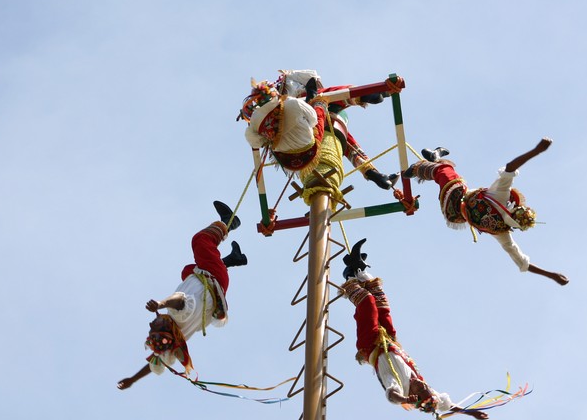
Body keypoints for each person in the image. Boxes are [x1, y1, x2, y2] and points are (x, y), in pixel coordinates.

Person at [338, 238, 489, 420]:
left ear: (416, 396)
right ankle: (359, 270)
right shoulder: (427, 391)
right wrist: (469, 412)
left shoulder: (399, 386)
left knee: (367, 303)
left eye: (420, 389)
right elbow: (447, 405)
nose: (422, 384)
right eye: (425, 387)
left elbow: (391, 395)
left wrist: (404, 398)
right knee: (382, 305)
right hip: (390, 341)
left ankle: (349, 276)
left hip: (371, 345)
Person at [117, 201, 248, 390]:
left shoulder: (176, 339)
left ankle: (233, 259)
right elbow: (179, 301)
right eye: (155, 325)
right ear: (166, 328)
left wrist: (132, 379)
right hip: (213, 275)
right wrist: (160, 304)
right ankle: (228, 223)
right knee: (200, 240)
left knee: (186, 272)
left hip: (213, 283)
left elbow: (156, 362)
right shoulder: (177, 315)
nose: (151, 323)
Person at [403, 138, 568, 286]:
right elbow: (510, 169)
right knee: (446, 173)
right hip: (461, 199)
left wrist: (551, 275)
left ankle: (421, 166)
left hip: (457, 211)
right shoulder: (502, 201)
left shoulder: (502, 227)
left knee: (445, 173)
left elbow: (521, 261)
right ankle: (434, 158)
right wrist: (536, 150)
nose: (513, 206)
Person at [240, 69, 398, 190]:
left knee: (342, 138)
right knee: (326, 97)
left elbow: (257, 141)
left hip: (290, 160)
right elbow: (314, 115)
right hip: (309, 134)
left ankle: (372, 172)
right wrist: (315, 100)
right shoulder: (290, 99)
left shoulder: (258, 123)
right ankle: (363, 95)